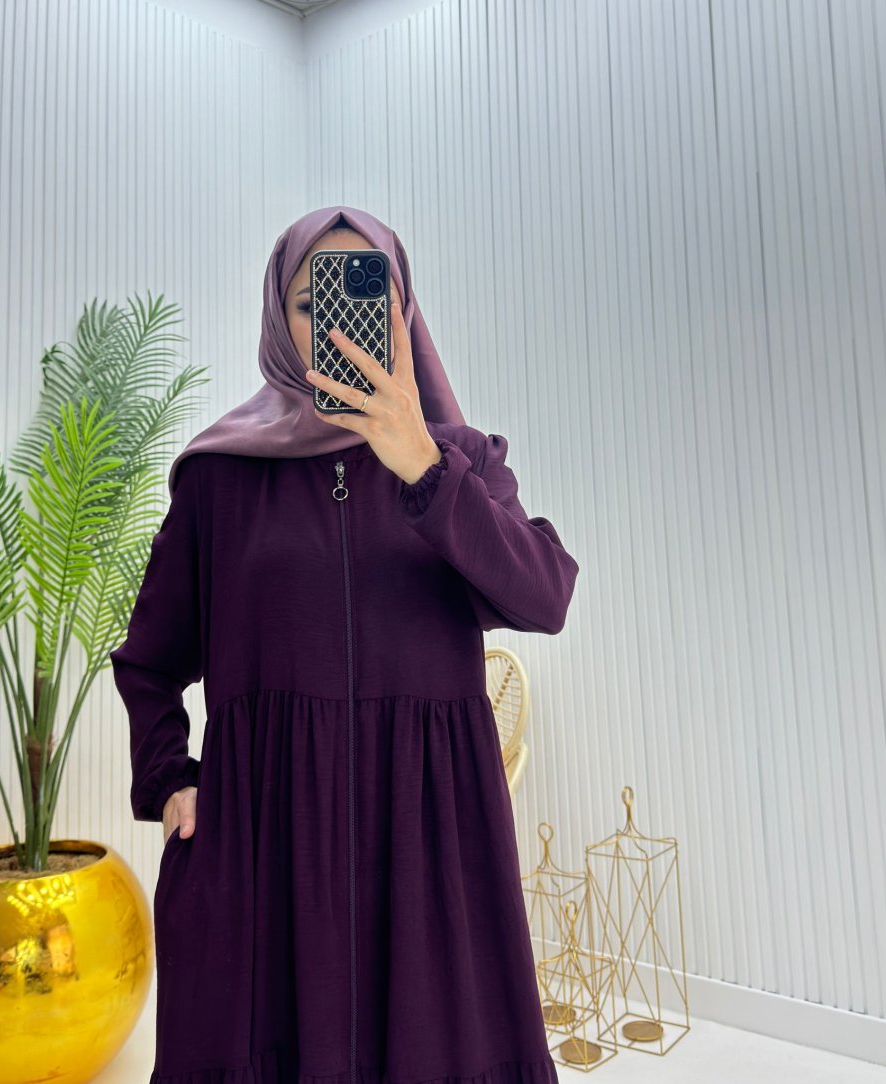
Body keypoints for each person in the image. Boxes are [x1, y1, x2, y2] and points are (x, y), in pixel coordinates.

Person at [109, 205, 579, 1084]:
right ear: (276, 321)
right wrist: (169, 776)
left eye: (369, 294)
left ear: (404, 314)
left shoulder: (463, 461)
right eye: (310, 302)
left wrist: (426, 469)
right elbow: (148, 660)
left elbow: (546, 595)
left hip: (429, 845)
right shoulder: (220, 476)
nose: (338, 324)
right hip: (267, 846)